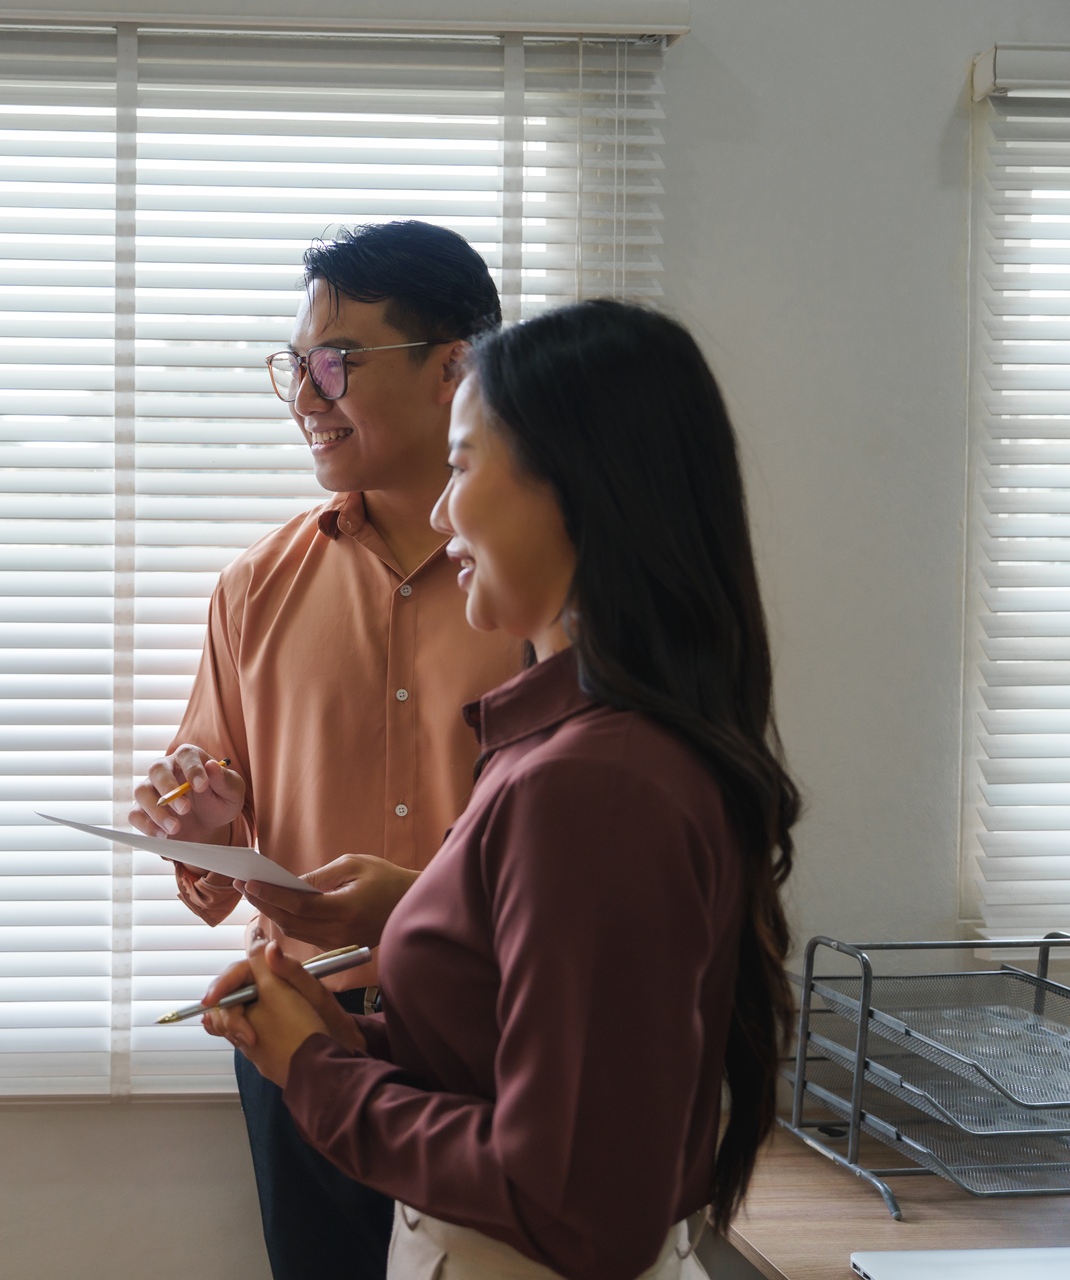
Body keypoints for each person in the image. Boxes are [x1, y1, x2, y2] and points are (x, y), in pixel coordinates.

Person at [201, 300, 800, 1280]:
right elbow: (519, 1062)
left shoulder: (592, 784)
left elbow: (572, 1202)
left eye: (464, 466)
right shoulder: (575, 749)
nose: (442, 512)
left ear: (577, 488)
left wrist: (319, 1070)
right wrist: (348, 1033)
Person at [129, 222, 525, 1280]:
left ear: (455, 368)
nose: (306, 395)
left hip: (491, 1025)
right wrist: (204, 828)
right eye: (295, 366)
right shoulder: (252, 589)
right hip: (303, 1028)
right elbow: (211, 868)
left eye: (336, 362)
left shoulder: (542, 584)